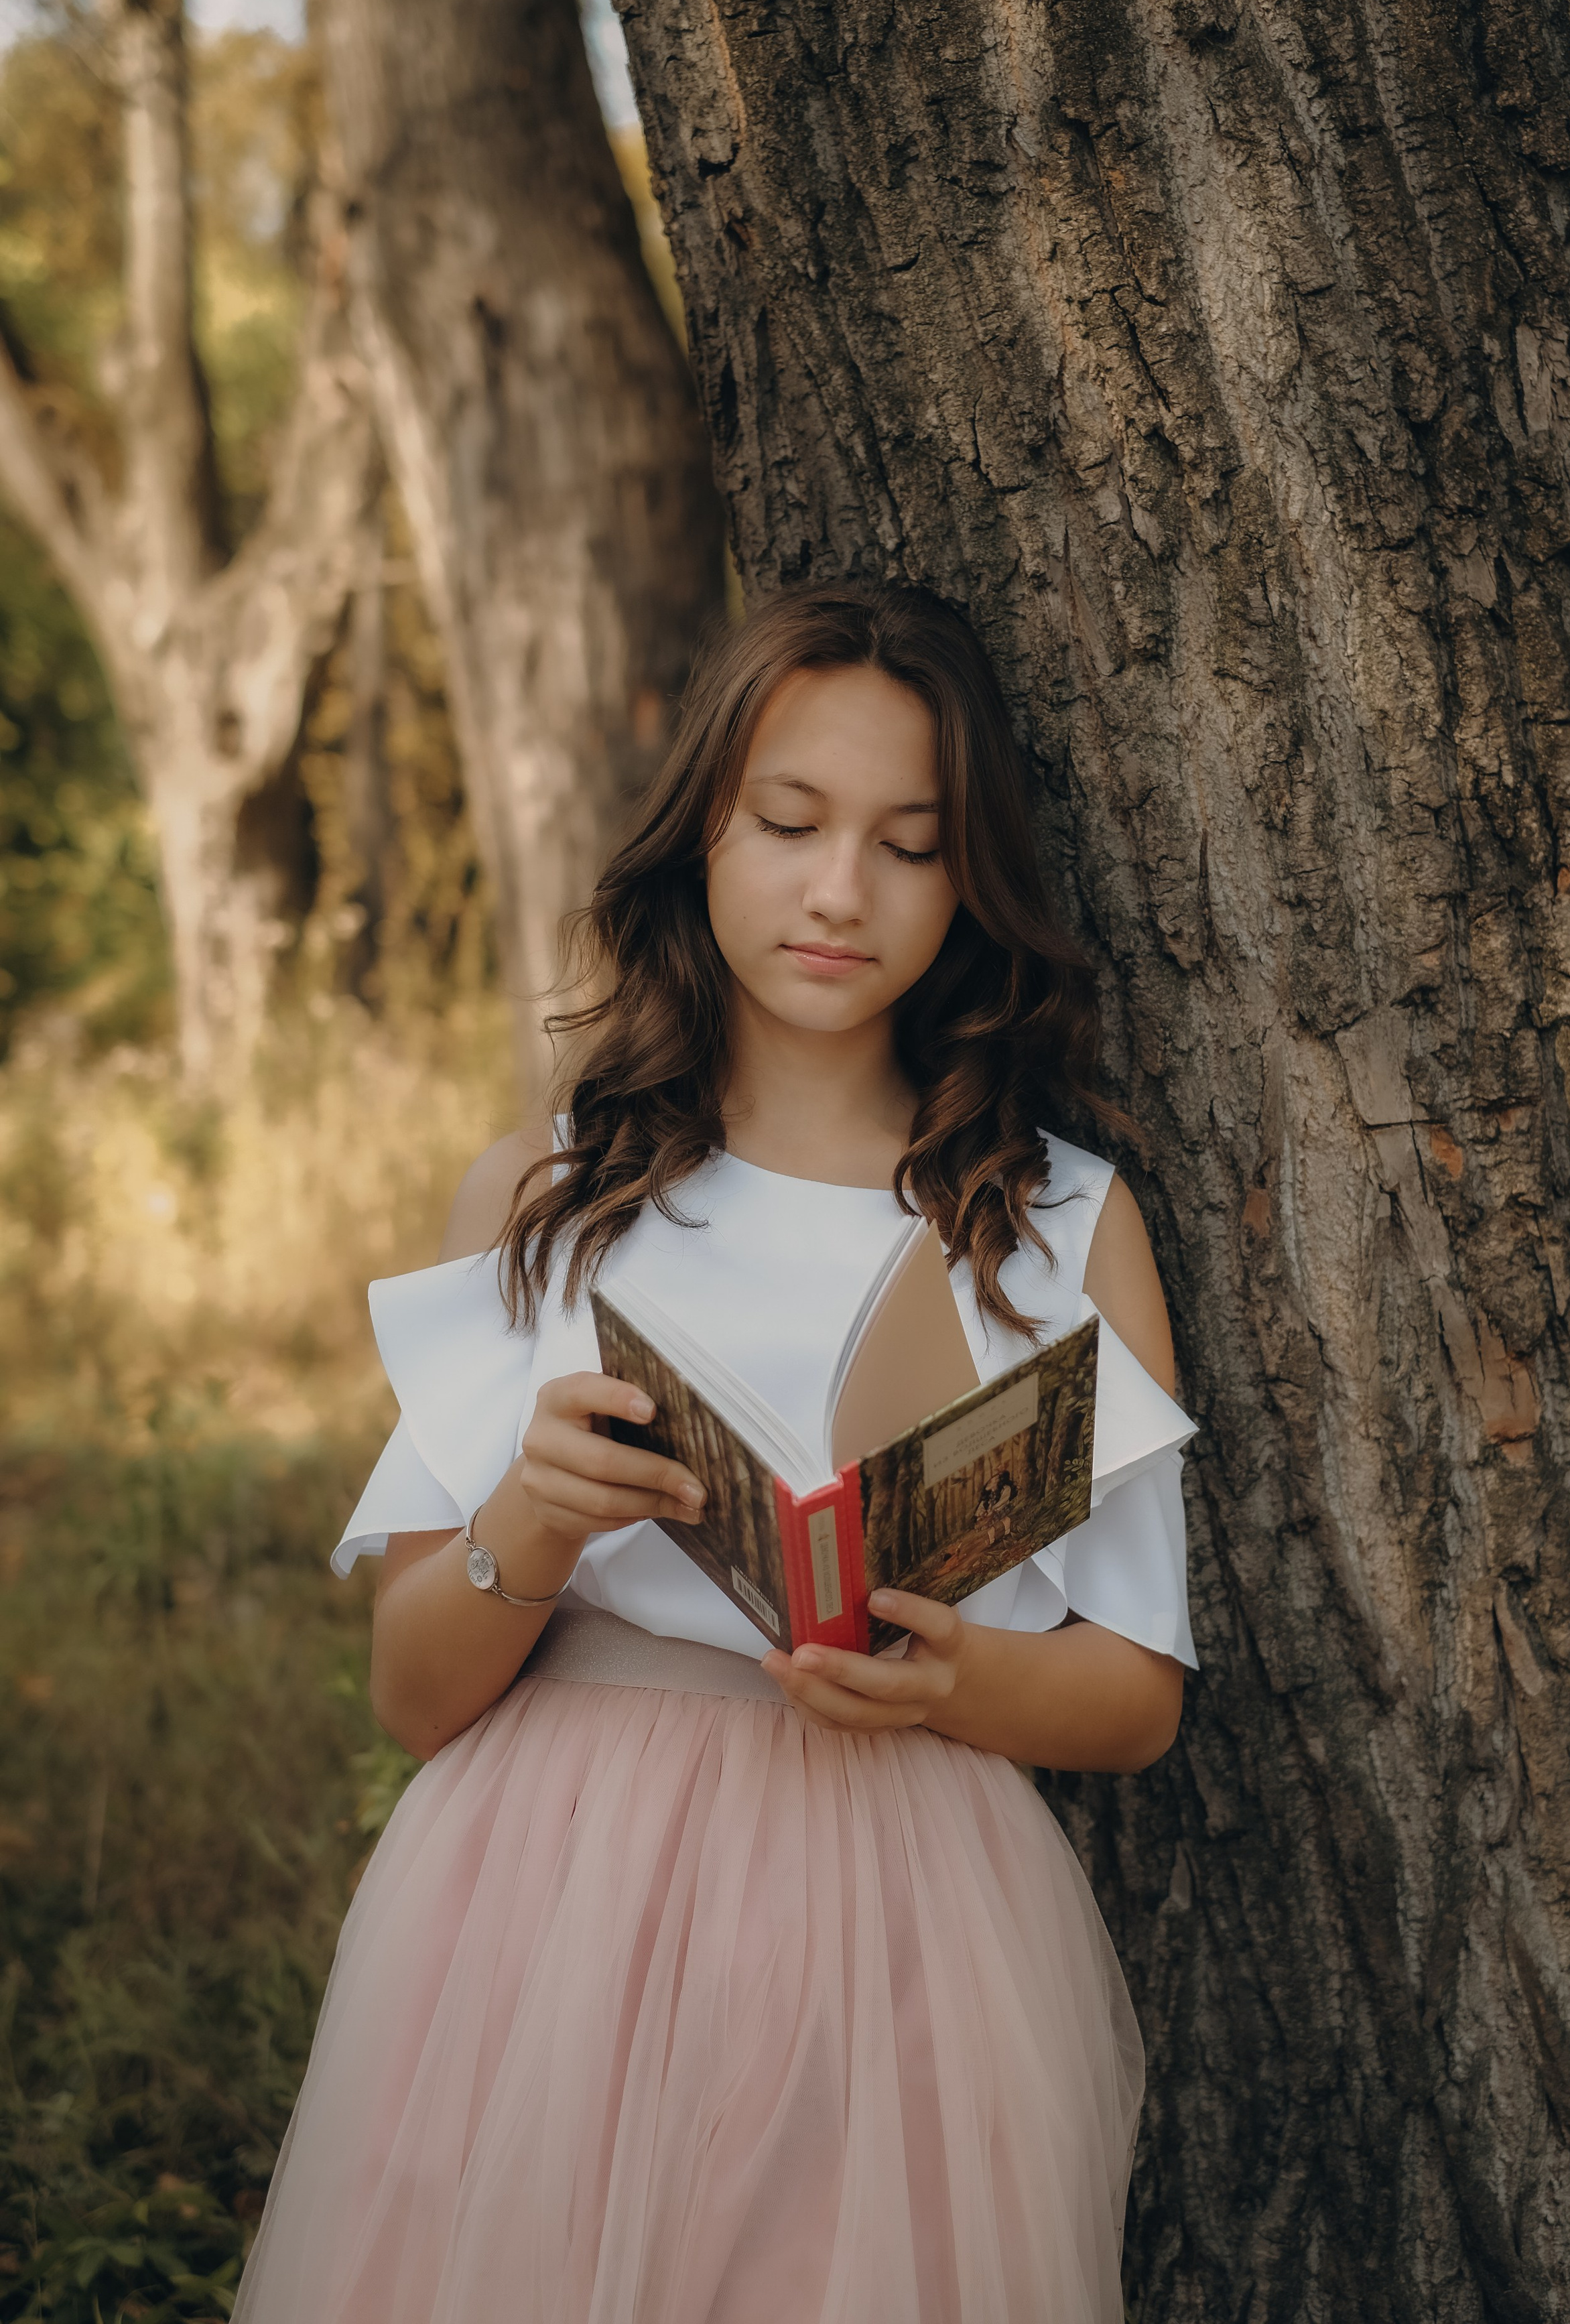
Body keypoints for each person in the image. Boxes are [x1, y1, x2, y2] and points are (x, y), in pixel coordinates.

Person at [232, 582, 1199, 2324]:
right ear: (700, 839)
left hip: (904, 1919)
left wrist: (952, 1672)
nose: (841, 893)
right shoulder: (548, 1197)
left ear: (971, 880)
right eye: (790, 825)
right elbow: (412, 1695)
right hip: (546, 1908)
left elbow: (1135, 1693)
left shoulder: (1056, 1222)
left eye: (909, 846)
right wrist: (528, 1516)